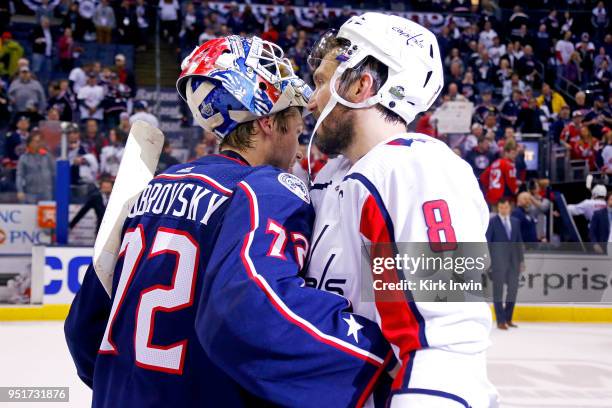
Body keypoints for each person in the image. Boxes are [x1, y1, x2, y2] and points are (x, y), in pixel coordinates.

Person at [65, 36, 391, 408]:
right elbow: (261, 308)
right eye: (295, 130)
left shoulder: (152, 189)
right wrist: (375, 353)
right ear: (268, 123)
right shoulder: (263, 188)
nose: (299, 150)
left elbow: (83, 328)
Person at [306, 14, 498, 407]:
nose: (312, 101)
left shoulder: (415, 170)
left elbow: (444, 341)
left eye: (322, 83)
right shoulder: (340, 173)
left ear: (361, 86)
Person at [486, 198, 524, 330]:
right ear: (498, 208)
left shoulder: (515, 222)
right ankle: (500, 320)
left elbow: (519, 242)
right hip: (497, 263)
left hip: (513, 262)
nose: (504, 210)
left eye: (506, 207)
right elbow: (488, 243)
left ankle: (508, 318)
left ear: (509, 208)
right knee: (498, 292)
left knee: (512, 291)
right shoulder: (492, 222)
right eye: (501, 207)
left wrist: (521, 261)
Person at [16, 131, 55, 203]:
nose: (38, 144)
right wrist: (20, 191)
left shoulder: (47, 156)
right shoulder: (24, 157)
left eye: (39, 141)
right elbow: (20, 175)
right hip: (30, 193)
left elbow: (54, 173)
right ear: (29, 143)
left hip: (47, 192)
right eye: (36, 141)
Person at [480, 139, 519, 207]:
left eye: (516, 153)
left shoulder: (495, 162)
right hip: (504, 199)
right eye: (513, 153)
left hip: (492, 197)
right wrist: (517, 191)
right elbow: (512, 183)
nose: (515, 156)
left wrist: (489, 189)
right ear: (506, 153)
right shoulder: (509, 164)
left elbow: (483, 177)